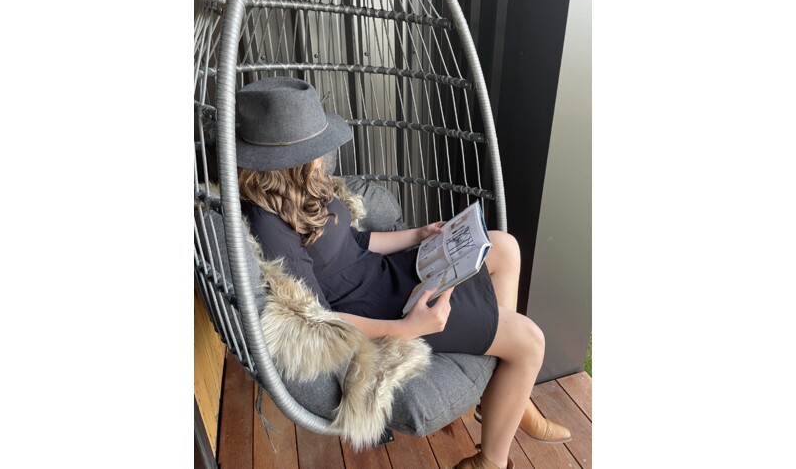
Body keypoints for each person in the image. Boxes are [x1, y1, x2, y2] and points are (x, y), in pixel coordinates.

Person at [234, 76, 570, 469]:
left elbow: (355, 243)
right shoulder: (269, 225)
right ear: (288, 162)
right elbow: (319, 322)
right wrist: (407, 328)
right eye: (316, 149)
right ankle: (490, 460)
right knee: (529, 340)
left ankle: (502, 389)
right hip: (377, 311)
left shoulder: (307, 186)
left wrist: (418, 235)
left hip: (382, 273)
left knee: (504, 247)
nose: (324, 156)